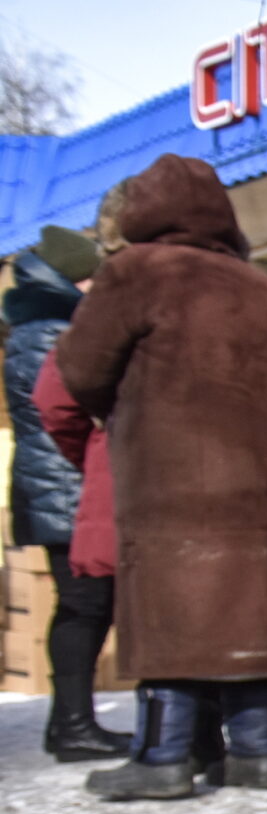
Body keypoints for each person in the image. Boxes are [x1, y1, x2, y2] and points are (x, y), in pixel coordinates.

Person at [53, 153, 267, 800]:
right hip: (260, 495)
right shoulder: (264, 290)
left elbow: (79, 369)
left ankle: (163, 758)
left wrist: (124, 408)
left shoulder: (137, 272)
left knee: (174, 620)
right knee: (250, 621)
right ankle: (258, 757)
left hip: (168, 486)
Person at [5, 222, 125, 761]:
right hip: (65, 487)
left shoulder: (36, 326)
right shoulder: (53, 332)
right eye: (89, 281)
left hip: (54, 486)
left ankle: (68, 724)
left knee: (82, 606)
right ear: (70, 281)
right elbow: (66, 411)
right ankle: (74, 724)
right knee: (85, 606)